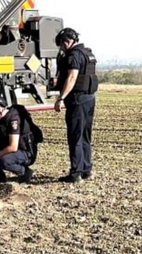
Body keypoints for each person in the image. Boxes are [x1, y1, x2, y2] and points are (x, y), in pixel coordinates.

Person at [53, 27, 98, 183]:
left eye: (61, 44)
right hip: (90, 98)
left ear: (67, 41)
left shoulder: (74, 56)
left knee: (75, 136)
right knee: (85, 135)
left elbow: (72, 77)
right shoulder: (88, 53)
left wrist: (61, 98)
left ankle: (76, 173)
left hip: (77, 100)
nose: (61, 47)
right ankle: (86, 169)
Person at [0, 95, 35, 183]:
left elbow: (13, 147)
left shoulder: (13, 120)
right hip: (13, 149)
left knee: (4, 161)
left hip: (25, 152)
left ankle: (24, 172)